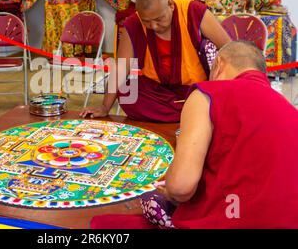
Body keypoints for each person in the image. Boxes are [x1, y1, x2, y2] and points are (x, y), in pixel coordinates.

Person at [91, 41, 298, 228]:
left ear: (218, 65)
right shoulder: (291, 110)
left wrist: (170, 187)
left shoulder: (210, 93)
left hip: (228, 221)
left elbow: (181, 187)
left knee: (109, 221)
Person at [80, 0, 231, 122]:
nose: (154, 26)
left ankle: (191, 111)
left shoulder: (194, 12)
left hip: (194, 89)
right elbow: (120, 68)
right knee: (127, 93)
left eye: (159, 19)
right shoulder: (133, 23)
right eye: (147, 21)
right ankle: (193, 114)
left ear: (170, 4)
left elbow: (229, 49)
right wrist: (105, 107)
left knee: (208, 97)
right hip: (157, 92)